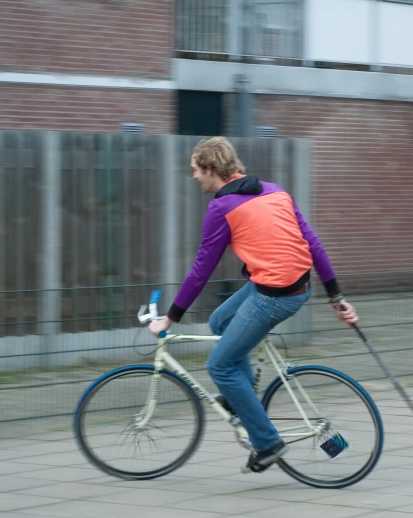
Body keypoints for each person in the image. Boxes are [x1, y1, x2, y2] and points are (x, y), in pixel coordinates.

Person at [149, 137, 358, 473]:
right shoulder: (276, 191)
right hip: (291, 285)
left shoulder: (222, 208)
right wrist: (336, 297)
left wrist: (170, 319)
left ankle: (267, 442)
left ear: (212, 169)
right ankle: (240, 401)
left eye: (195, 171)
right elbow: (314, 245)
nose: (193, 177)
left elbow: (201, 270)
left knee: (219, 367)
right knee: (219, 322)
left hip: (275, 296)